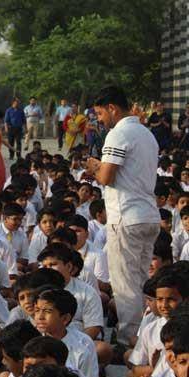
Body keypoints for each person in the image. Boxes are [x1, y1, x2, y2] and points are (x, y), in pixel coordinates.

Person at [86, 86, 160, 346]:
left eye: (100, 114)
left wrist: (94, 167)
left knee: (126, 285)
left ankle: (130, 340)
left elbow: (107, 177)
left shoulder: (118, 133)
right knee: (141, 281)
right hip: (148, 215)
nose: (99, 120)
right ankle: (146, 338)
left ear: (112, 108)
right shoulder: (147, 134)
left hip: (126, 217)